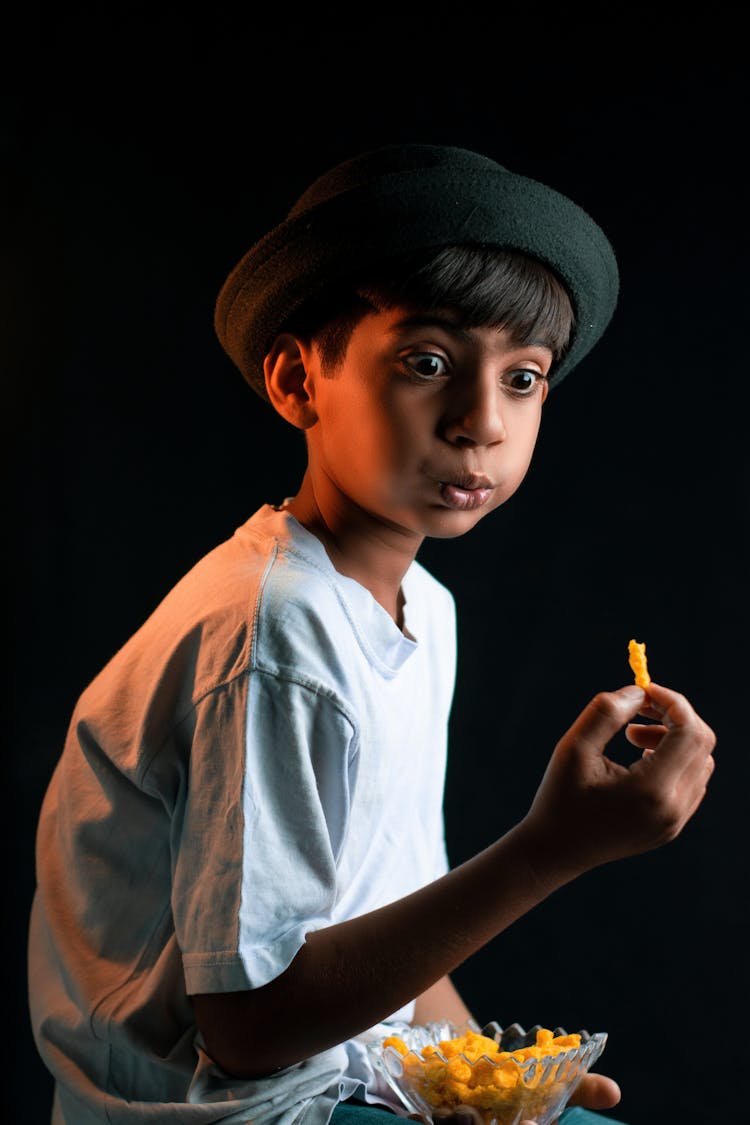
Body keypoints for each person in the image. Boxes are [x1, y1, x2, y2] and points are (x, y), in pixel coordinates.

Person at [28, 143, 716, 1125]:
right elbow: (250, 1027)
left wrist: (490, 1081)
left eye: (521, 379)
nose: (481, 420)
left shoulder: (423, 610)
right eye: (427, 364)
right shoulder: (274, 631)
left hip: (346, 1078)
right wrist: (552, 849)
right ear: (298, 382)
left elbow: (386, 936)